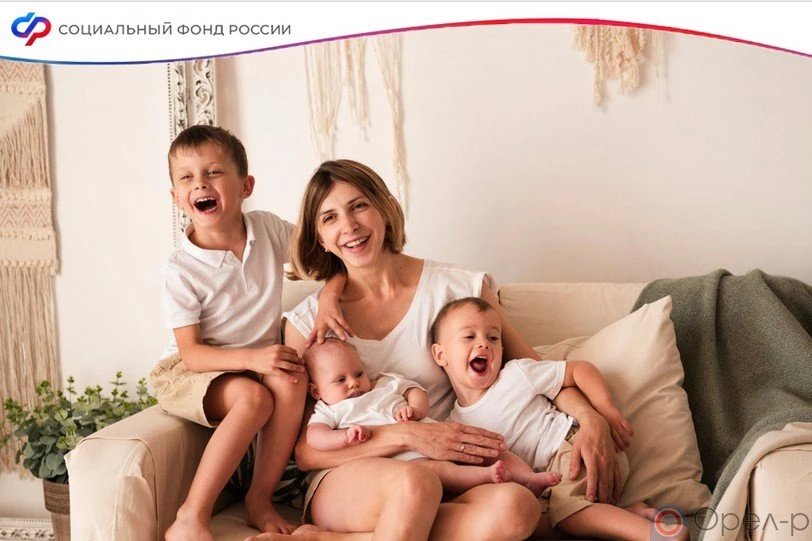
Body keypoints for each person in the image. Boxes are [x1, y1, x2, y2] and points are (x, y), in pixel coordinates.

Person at [246, 158, 624, 541]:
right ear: (320, 238)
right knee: (414, 482)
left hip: (448, 468)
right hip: (350, 478)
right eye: (329, 218)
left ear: (386, 208)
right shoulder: (308, 324)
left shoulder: (459, 290)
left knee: (517, 509)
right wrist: (407, 436)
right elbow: (308, 453)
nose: (349, 225)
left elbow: (536, 374)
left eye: (359, 206)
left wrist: (591, 419)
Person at [148, 125, 307, 541]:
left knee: (292, 378)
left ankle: (259, 499)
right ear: (177, 198)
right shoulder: (180, 269)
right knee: (254, 398)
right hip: (192, 370)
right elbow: (192, 353)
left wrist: (330, 297)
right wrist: (254, 358)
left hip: (252, 365)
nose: (200, 183)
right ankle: (190, 517)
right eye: (187, 177)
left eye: (214, 172)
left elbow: (326, 256)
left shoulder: (268, 230)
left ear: (245, 186)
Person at [431, 296, 684, 541]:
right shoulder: (452, 427)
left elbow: (579, 370)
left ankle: (656, 536)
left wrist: (605, 410)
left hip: (573, 448)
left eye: (493, 338)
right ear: (440, 355)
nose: (484, 344)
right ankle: (630, 515)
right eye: (469, 336)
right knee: (536, 522)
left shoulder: (516, 375)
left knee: (566, 516)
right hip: (549, 480)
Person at [304, 337, 561, 495]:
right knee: (438, 471)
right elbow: (315, 438)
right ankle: (486, 477)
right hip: (405, 463)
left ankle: (529, 477)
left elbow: (416, 391)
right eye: (340, 380)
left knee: (491, 448)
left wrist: (415, 409)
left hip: (440, 439)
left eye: (358, 373)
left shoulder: (384, 383)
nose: (353, 383)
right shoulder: (330, 410)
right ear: (317, 391)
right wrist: (344, 437)